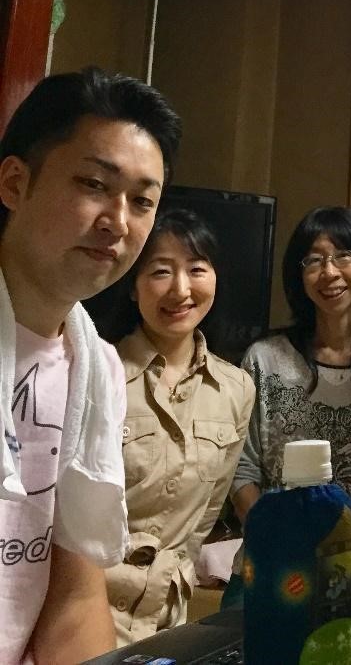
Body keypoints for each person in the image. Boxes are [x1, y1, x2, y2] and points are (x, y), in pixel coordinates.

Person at [0, 66, 181, 665]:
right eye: (95, 184)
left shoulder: (94, 368)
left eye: (143, 201)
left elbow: (73, 596)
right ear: (15, 183)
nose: (118, 221)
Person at [91, 208, 255, 645]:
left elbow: (204, 517)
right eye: (161, 271)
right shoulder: (97, 371)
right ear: (133, 285)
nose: (181, 289)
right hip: (88, 609)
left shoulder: (236, 388)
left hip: (168, 619)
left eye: (196, 269)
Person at [231, 206, 351, 561]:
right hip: (268, 560)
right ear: (298, 275)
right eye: (314, 260)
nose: (329, 272)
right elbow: (242, 469)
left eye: (343, 255)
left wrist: (347, 553)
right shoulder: (264, 360)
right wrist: (278, 543)